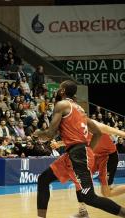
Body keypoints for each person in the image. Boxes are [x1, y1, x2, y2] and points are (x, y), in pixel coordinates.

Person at [34, 80, 125, 218]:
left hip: (78, 154)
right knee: (43, 179)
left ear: (63, 91)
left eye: (59, 88)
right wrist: (88, 149)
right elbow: (98, 132)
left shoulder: (62, 105)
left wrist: (38, 134)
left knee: (89, 197)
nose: (58, 91)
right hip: (73, 153)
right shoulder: (80, 109)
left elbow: (49, 133)